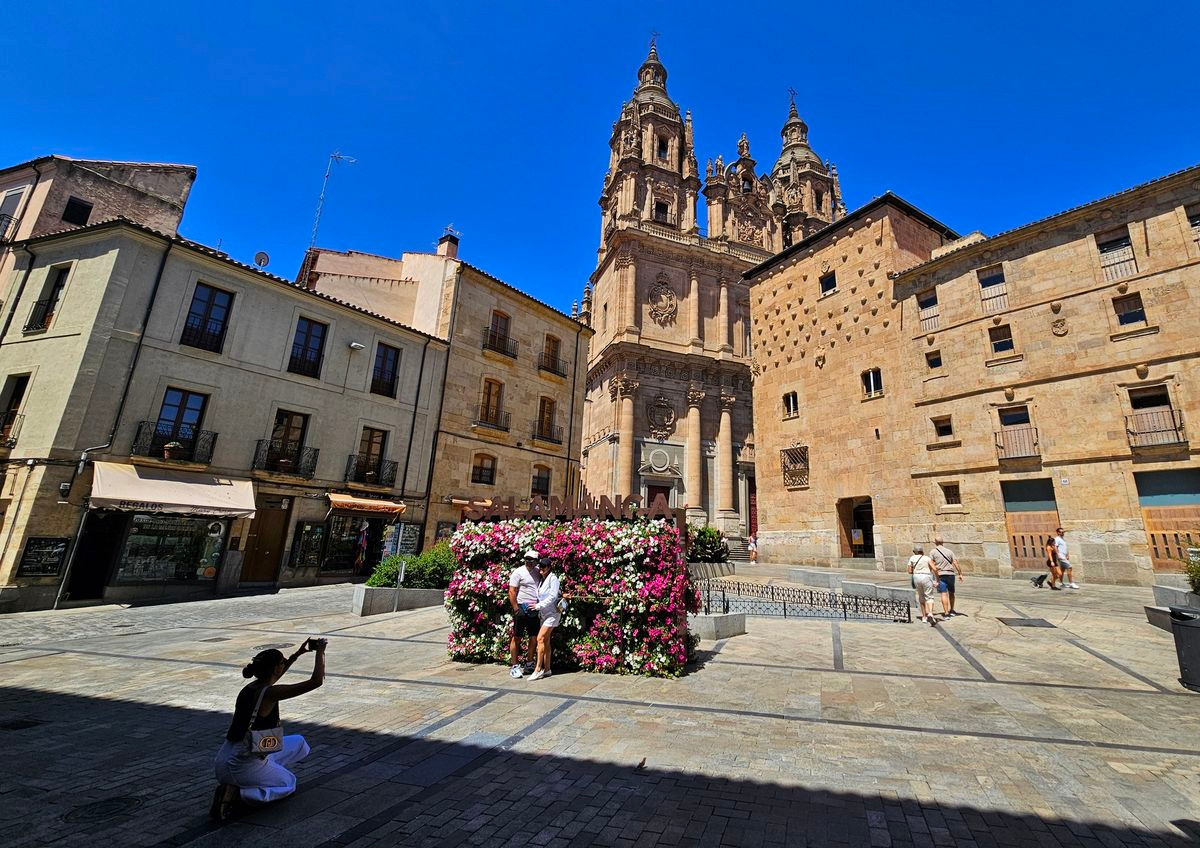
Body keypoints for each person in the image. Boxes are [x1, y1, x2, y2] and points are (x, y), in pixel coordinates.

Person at [211, 638, 327, 821]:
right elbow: (316, 681)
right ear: (275, 669)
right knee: (288, 783)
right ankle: (236, 794)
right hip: (239, 766)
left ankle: (265, 773)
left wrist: (296, 655)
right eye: (282, 662)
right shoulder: (270, 693)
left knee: (299, 742)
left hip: (231, 755)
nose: (283, 665)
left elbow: (274, 677)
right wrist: (320, 651)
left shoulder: (252, 687)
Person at [509, 549, 542, 678]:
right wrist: (516, 608)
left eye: (532, 560)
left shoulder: (538, 571)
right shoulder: (518, 572)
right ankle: (515, 665)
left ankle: (529, 663)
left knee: (533, 636)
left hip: (533, 606)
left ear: (536, 561)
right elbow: (512, 591)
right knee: (517, 637)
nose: (529, 562)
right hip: (522, 606)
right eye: (527, 559)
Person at [528, 556, 563, 681]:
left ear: (549, 567)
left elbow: (553, 596)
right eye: (540, 567)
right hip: (544, 614)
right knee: (546, 641)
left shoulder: (553, 579)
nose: (541, 569)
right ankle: (547, 669)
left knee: (540, 638)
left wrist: (538, 606)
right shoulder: (543, 579)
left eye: (543, 567)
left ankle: (538, 669)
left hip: (553, 613)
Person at [930, 536, 965, 618]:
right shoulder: (949, 551)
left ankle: (946, 613)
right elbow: (955, 563)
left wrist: (933, 571)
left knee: (943, 593)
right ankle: (952, 610)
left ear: (935, 542)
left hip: (940, 575)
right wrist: (960, 574)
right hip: (950, 574)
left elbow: (931, 563)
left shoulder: (933, 552)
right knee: (951, 593)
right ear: (943, 542)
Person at [907, 545, 938, 627]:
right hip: (927, 576)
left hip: (916, 577)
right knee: (929, 596)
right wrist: (937, 579)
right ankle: (930, 613)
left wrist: (916, 570)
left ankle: (924, 617)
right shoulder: (927, 558)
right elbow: (934, 569)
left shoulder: (912, 558)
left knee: (921, 596)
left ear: (914, 552)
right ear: (922, 551)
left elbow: (909, 571)